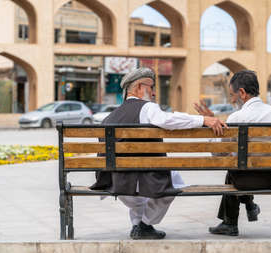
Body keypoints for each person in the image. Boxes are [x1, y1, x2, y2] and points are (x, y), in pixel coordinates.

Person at [89, 67, 227, 240]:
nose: (153, 93)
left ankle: (138, 226)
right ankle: (145, 225)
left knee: (141, 199)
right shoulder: (147, 108)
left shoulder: (110, 117)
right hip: (142, 180)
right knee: (174, 184)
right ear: (139, 87)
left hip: (115, 183)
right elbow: (166, 120)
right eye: (151, 87)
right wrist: (203, 120)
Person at [194, 70, 271, 236]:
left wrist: (211, 126)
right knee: (239, 162)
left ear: (242, 93)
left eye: (232, 95)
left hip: (243, 181)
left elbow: (218, 155)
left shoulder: (236, 118)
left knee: (235, 165)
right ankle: (247, 207)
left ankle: (231, 222)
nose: (231, 100)